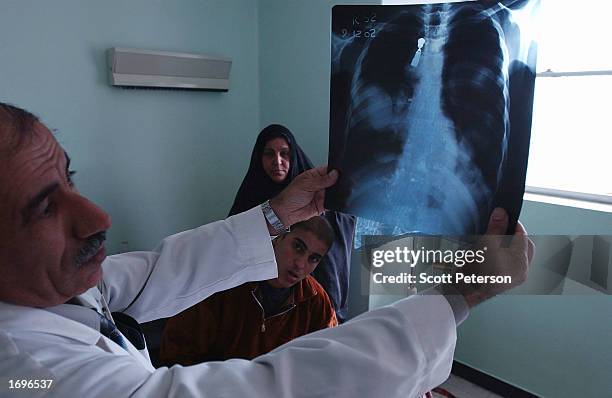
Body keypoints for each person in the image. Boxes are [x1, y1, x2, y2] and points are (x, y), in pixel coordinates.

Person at [0, 102, 533, 397]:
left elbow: (149, 274)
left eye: (72, 178)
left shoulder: (50, 292)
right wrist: (460, 295)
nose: (98, 217)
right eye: (47, 207)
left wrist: (279, 214)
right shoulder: (26, 375)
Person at [159, 216, 337, 365]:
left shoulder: (315, 299)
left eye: (313, 259)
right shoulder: (223, 281)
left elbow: (326, 361)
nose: (300, 264)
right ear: (278, 238)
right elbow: (177, 357)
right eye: (298, 247)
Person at [230, 124, 356, 323]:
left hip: (310, 306)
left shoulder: (316, 200)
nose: (277, 161)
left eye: (285, 154)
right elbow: (232, 250)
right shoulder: (250, 197)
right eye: (269, 154)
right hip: (255, 308)